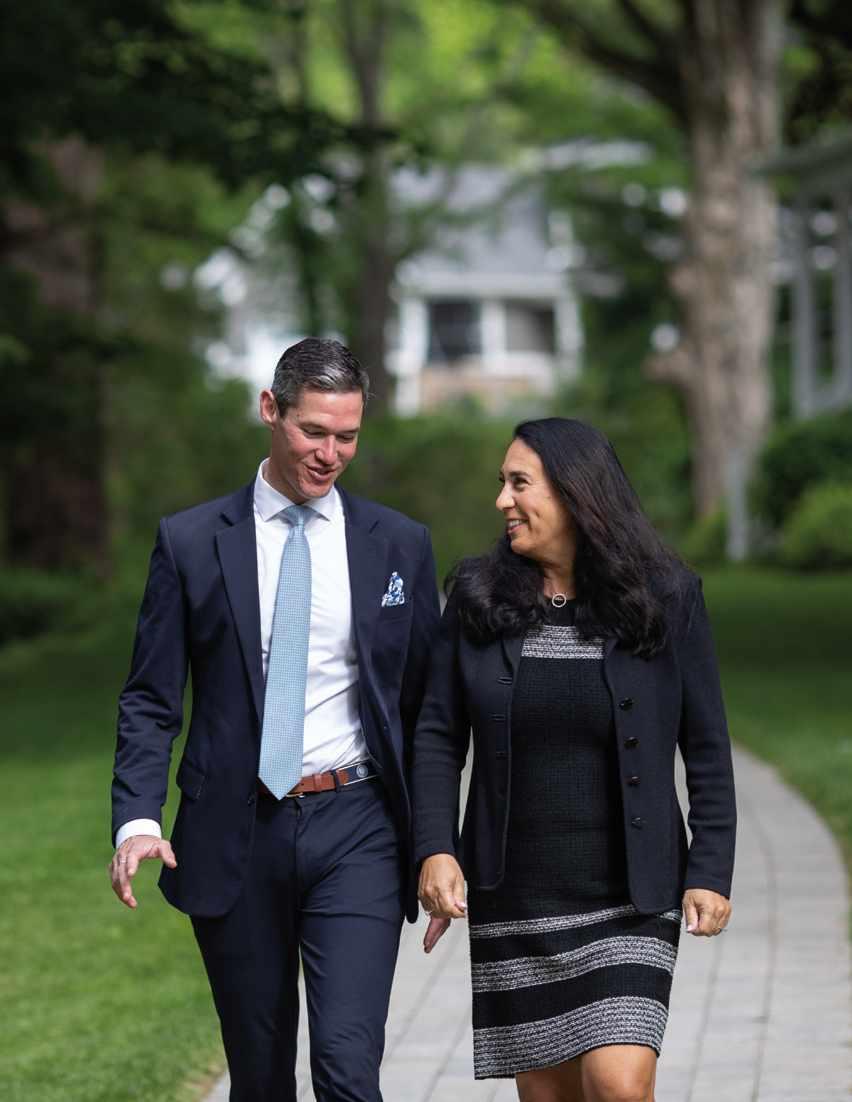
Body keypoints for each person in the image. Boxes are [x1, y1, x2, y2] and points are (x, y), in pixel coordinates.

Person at [108, 338, 440, 1102]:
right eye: (313, 431)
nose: (330, 454)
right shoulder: (191, 543)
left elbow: (428, 712)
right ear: (270, 409)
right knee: (259, 1078)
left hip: (357, 825)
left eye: (347, 436)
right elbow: (151, 697)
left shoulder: (398, 546)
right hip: (235, 830)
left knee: (348, 1070)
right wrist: (135, 819)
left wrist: (434, 847)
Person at [413, 418, 736, 1102]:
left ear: (574, 494)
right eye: (501, 482)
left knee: (619, 1085)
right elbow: (439, 736)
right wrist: (435, 849)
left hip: (630, 896)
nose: (502, 500)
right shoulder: (476, 599)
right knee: (550, 1095)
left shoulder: (667, 598)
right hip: (518, 895)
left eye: (519, 483)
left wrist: (710, 869)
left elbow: (705, 744)